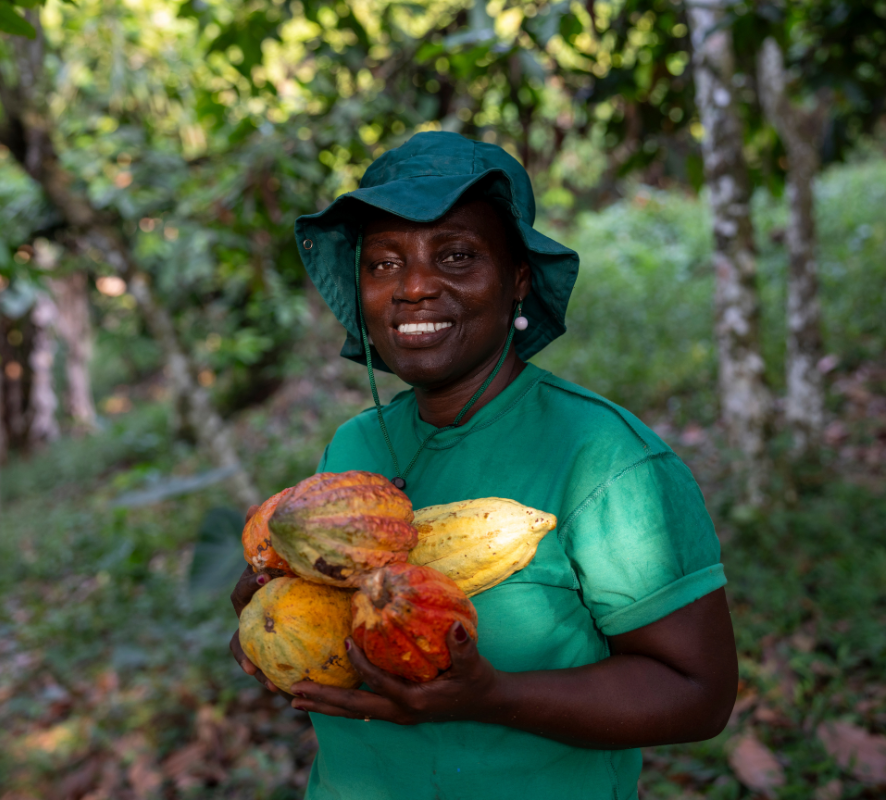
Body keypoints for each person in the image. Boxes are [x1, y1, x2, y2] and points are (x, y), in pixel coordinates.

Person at [229, 131, 737, 800]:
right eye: (383, 264)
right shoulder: (352, 449)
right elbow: (324, 627)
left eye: (457, 255)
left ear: (518, 278)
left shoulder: (604, 458)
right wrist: (266, 618)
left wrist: (490, 696)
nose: (412, 288)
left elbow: (698, 694)